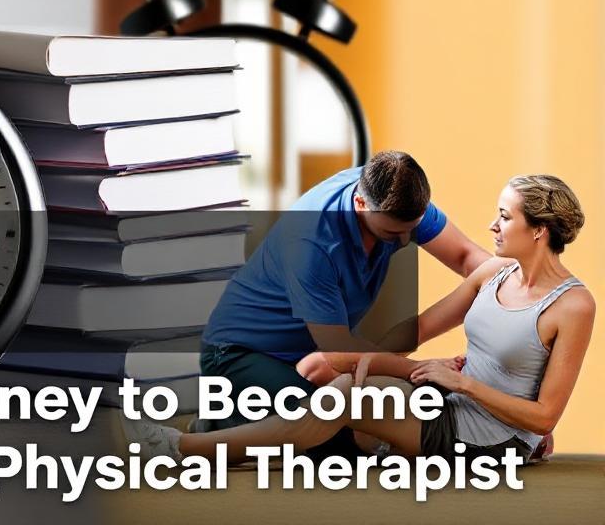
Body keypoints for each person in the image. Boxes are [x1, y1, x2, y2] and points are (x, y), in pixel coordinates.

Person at [129, 175, 594, 464]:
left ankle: (179, 447)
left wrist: (470, 389)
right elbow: (418, 327)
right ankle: (219, 439)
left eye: (503, 216)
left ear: (538, 230)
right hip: (448, 400)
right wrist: (354, 360)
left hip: (490, 432)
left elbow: (547, 413)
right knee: (341, 388)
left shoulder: (573, 306)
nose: (492, 225)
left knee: (339, 410)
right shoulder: (493, 273)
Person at [194, 151, 488, 459]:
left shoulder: (396, 189)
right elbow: (338, 351)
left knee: (377, 414)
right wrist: (420, 369)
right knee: (334, 435)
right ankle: (221, 419)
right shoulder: (312, 243)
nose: (404, 242)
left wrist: (526, 297)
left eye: (410, 230)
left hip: (312, 352)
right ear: (361, 204)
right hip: (240, 353)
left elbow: (467, 258)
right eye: (393, 233)